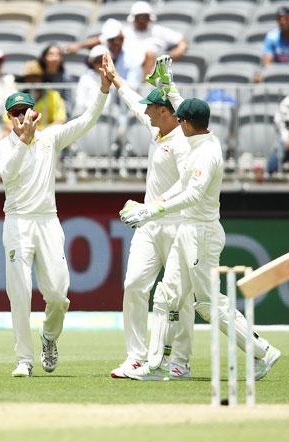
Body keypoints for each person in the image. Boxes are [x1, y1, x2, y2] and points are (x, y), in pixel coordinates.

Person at [120, 63, 281, 381]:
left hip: (201, 233)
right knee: (166, 296)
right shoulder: (199, 137)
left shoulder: (207, 154)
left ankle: (263, 352)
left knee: (208, 303)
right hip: (188, 232)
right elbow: (181, 108)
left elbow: (192, 194)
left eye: (181, 121)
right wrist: (170, 85)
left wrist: (152, 211)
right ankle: (157, 365)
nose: (176, 124)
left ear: (189, 124)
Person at [0, 65, 111, 378]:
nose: (20, 117)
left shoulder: (49, 139)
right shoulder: (3, 147)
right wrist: (22, 140)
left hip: (47, 221)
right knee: (19, 294)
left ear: (35, 113)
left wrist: (103, 90)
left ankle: (49, 337)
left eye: (24, 112)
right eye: (15, 113)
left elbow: (87, 121)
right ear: (9, 118)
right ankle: (23, 360)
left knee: (59, 294)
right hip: (17, 221)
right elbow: (9, 174)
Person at [103, 54, 194, 379]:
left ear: (165, 112)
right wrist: (115, 80)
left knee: (178, 297)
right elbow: (132, 102)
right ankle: (137, 357)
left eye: (151, 108)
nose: (145, 111)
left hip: (178, 225)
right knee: (134, 285)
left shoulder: (183, 143)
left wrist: (151, 207)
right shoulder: (157, 130)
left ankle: (180, 362)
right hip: (149, 225)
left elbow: (187, 186)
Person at [69, 19, 154, 86]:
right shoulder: (106, 48)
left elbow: (132, 86)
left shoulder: (132, 56)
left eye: (117, 39)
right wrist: (79, 46)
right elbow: (99, 40)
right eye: (111, 40)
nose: (115, 42)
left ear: (121, 37)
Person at [18, 60, 67, 129]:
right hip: (24, 136)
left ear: (42, 78)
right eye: (29, 78)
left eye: (36, 77)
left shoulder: (53, 95)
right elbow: (8, 122)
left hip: (49, 136)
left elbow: (61, 120)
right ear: (25, 80)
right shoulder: (17, 98)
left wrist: (42, 133)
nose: (33, 81)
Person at [75, 45, 114, 115]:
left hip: (109, 118)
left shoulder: (114, 77)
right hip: (89, 116)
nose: (102, 64)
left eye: (104, 60)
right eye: (98, 61)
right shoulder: (85, 79)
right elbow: (80, 103)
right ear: (92, 62)